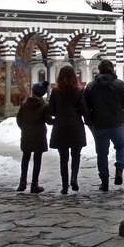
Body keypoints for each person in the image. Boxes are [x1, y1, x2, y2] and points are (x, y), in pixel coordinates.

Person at [81, 59, 124, 191]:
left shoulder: (91, 86)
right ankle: (119, 168)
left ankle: (104, 181)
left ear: (99, 69)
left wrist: (90, 121)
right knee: (120, 146)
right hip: (117, 123)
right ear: (112, 69)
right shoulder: (120, 85)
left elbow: (85, 106)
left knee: (102, 153)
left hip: (99, 125)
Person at [48, 65, 86, 194]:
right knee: (76, 155)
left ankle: (64, 185)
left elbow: (51, 110)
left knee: (63, 158)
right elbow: (82, 109)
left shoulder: (55, 91)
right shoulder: (79, 90)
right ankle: (74, 178)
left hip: (60, 127)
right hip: (75, 126)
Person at [15, 81, 50, 193]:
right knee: (37, 159)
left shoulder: (25, 104)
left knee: (25, 157)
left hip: (27, 133)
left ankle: (22, 182)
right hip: (39, 134)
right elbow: (48, 120)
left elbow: (19, 119)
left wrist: (24, 128)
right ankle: (34, 184)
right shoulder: (44, 105)